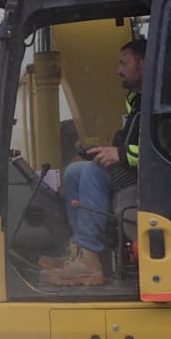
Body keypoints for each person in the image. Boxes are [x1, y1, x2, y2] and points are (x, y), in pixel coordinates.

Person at [40, 38, 145, 286]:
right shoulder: (136, 100)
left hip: (153, 175)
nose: (118, 70)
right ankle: (80, 251)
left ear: (144, 63)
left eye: (124, 63)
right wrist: (113, 150)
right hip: (135, 168)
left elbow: (164, 146)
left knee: (94, 173)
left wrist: (121, 155)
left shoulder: (159, 99)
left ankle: (90, 259)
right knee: (75, 171)